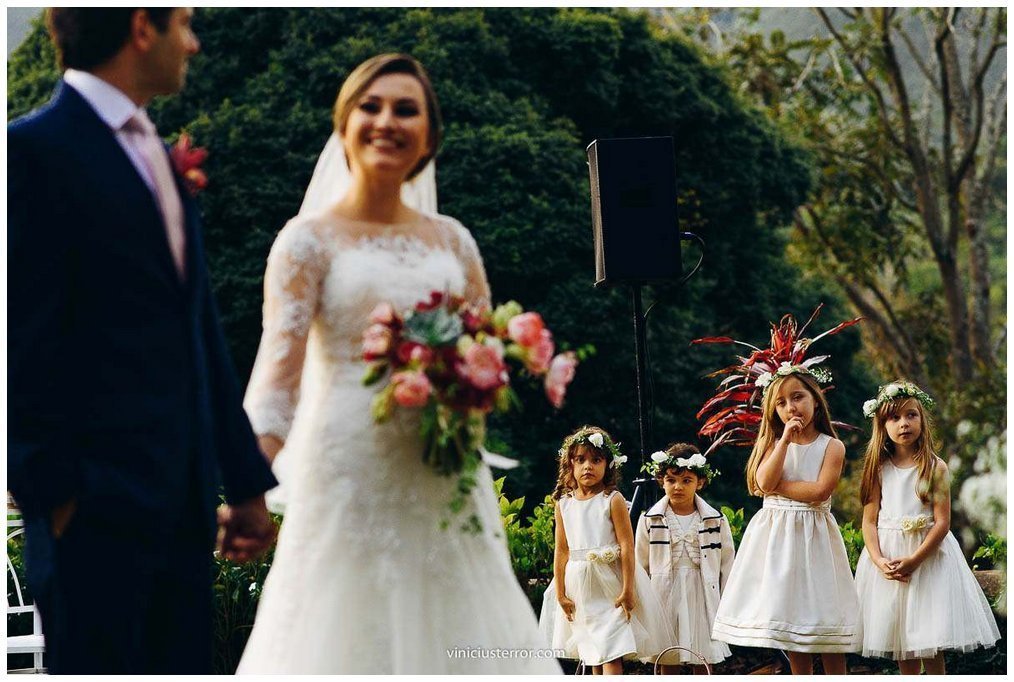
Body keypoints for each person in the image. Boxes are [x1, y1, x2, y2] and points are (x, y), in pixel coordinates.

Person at [237, 53, 559, 673]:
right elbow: (277, 381)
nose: (387, 121)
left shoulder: (453, 240)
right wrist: (251, 484)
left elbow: (485, 345)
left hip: (443, 466)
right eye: (371, 106)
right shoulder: (306, 240)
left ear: (429, 137)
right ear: (344, 124)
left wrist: (473, 377)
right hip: (347, 468)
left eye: (406, 109)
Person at [8, 8, 277, 674]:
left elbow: (198, 333)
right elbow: (18, 335)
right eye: (183, 23)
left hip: (181, 509)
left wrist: (243, 484)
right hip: (89, 515)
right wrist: (55, 499)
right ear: (139, 28)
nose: (193, 42)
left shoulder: (155, 153)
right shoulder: (28, 152)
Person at [711, 368, 859, 674]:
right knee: (791, 622)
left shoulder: (832, 446)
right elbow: (763, 478)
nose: (791, 407)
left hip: (814, 538)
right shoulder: (773, 444)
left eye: (798, 397)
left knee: (823, 621)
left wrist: (776, 487)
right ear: (773, 411)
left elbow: (818, 491)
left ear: (816, 401)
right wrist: (785, 442)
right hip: (779, 541)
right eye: (781, 402)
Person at [854, 381, 1000, 674]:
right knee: (902, 645)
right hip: (890, 563)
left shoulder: (936, 468)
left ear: (922, 419)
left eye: (911, 415)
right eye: (894, 418)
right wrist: (880, 561)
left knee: (929, 643)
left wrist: (914, 560)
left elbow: (942, 523)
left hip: (928, 561)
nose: (904, 424)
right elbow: (869, 522)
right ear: (882, 425)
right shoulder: (878, 469)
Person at [538, 426, 673, 674]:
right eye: (580, 460)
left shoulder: (613, 499)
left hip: (611, 585)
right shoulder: (564, 504)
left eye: (596, 460)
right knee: (593, 652)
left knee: (612, 647)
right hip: (580, 588)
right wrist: (560, 594)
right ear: (570, 464)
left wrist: (628, 589)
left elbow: (626, 545)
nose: (588, 466)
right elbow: (562, 551)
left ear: (608, 465)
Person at [635, 443, 735, 673]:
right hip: (663, 596)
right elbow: (640, 565)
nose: (678, 486)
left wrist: (728, 603)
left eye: (686, 480)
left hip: (701, 594)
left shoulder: (715, 521)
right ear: (662, 481)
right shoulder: (650, 520)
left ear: (700, 482)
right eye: (671, 480)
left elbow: (727, 565)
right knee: (667, 656)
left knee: (702, 656)